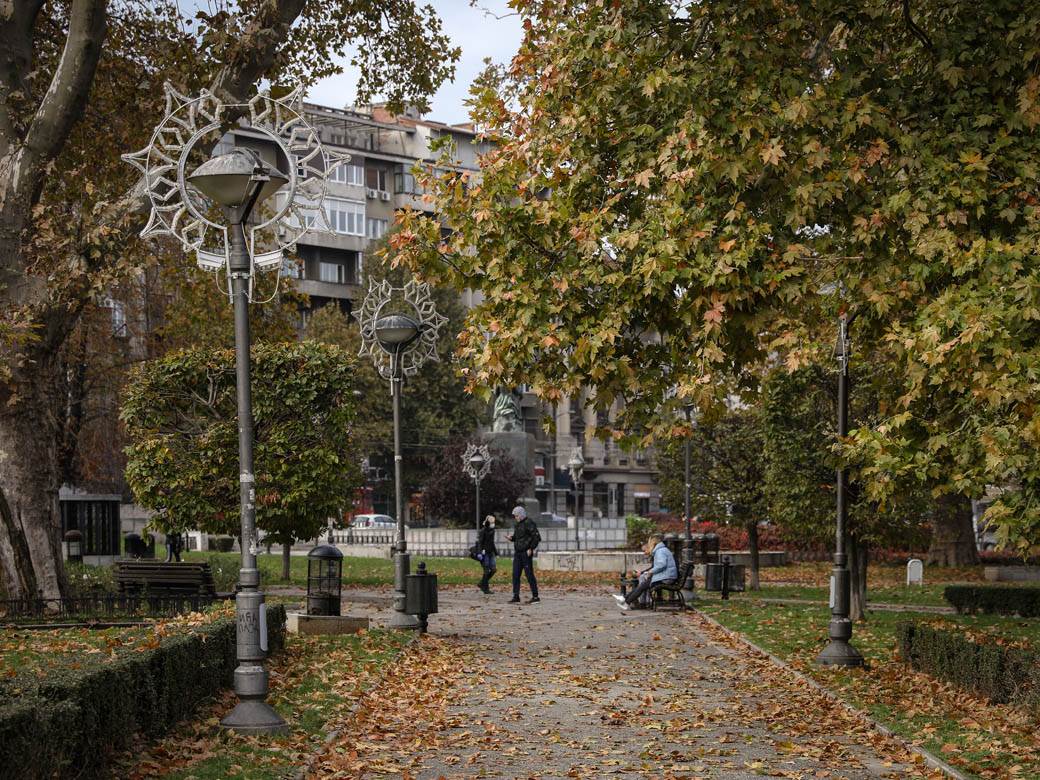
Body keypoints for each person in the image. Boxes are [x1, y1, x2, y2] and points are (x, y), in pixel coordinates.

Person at [613, 535, 677, 611]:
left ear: (653, 543)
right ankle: (625, 599)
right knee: (643, 585)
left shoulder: (660, 551)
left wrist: (650, 572)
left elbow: (661, 565)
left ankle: (626, 601)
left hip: (667, 578)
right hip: (667, 576)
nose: (649, 545)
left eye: (650, 543)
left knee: (642, 585)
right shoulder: (661, 550)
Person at [507, 505, 540, 603]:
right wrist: (512, 538)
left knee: (529, 574)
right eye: (515, 516)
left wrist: (531, 548)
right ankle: (516, 596)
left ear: (521, 515)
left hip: (526, 553)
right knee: (515, 574)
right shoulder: (518, 525)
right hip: (518, 553)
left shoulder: (529, 523)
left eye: (517, 516)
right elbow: (518, 537)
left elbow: (536, 537)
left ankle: (535, 596)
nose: (515, 518)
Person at [477, 514, 499, 594]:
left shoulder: (492, 530)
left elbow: (492, 542)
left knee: (493, 569)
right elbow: (480, 542)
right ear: (488, 522)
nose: (493, 523)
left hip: (491, 552)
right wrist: (479, 552)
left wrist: (496, 552)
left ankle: (481, 583)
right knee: (486, 571)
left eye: (494, 522)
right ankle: (486, 589)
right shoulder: (483, 531)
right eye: (492, 522)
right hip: (484, 553)